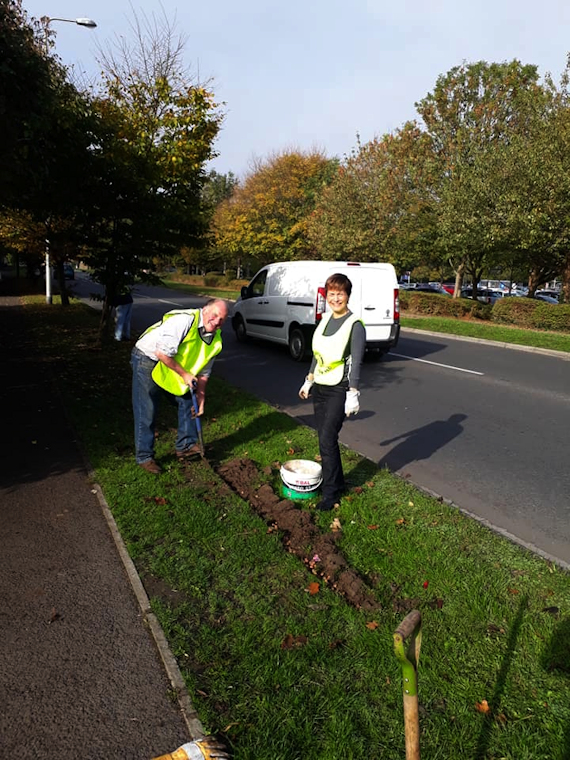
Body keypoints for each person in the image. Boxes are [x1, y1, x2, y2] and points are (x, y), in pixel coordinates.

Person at [131, 299, 229, 474]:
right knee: (147, 408)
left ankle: (186, 446)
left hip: (173, 364)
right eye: (214, 315)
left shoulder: (216, 340)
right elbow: (161, 352)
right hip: (148, 358)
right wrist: (184, 375)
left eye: (222, 319)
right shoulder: (184, 320)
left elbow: (204, 371)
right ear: (205, 309)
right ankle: (144, 456)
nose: (216, 322)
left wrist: (201, 397)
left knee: (189, 402)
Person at [298, 273, 366, 511]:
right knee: (325, 439)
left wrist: (353, 392)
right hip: (321, 387)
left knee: (327, 438)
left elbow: (356, 361)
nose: (336, 298)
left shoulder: (354, 325)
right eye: (332, 294)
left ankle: (330, 494)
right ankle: (337, 483)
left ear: (348, 295)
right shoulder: (325, 319)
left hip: (340, 388)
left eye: (340, 294)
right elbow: (318, 354)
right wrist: (309, 380)